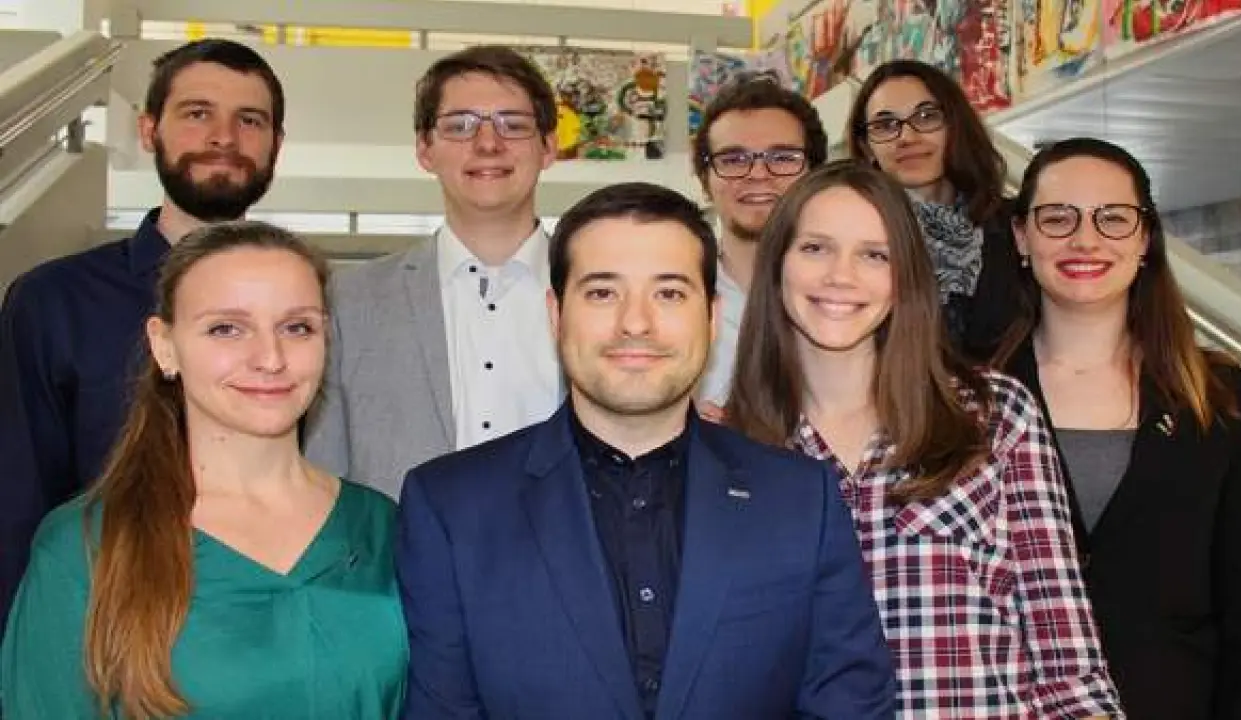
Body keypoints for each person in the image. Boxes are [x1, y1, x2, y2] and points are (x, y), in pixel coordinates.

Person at [395, 182, 896, 719]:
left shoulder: (800, 499)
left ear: (712, 317)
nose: (635, 323)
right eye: (602, 293)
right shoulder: (453, 508)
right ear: (556, 314)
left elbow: (850, 704)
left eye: (669, 294)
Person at [726, 161, 1122, 717]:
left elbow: (1068, 662)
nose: (841, 276)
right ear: (777, 265)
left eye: (875, 255)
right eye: (815, 248)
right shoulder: (729, 451)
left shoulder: (993, 415)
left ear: (905, 277)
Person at [1, 222, 406, 718]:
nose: (270, 358)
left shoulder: (384, 527)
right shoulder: (86, 547)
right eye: (226, 329)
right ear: (164, 346)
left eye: (297, 327)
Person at [0, 38, 284, 637]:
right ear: (149, 129)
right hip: (103, 629)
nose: (224, 137)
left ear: (276, 145)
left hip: (269, 624)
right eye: (198, 113)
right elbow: (17, 499)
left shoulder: (307, 307)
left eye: (250, 120)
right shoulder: (55, 301)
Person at [991, 137, 1241, 719]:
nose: (1085, 240)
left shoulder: (1218, 395)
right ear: (1021, 237)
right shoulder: (971, 395)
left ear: (1145, 238)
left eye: (1114, 218)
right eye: (1058, 218)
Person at [305, 45, 561, 498]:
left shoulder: (600, 293)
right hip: (399, 541)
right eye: (460, 125)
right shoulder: (349, 300)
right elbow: (323, 471)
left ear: (548, 147)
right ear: (425, 149)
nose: (488, 143)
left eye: (514, 124)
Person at [846, 59, 1018, 358]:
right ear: (866, 146)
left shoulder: (1013, 227)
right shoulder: (854, 237)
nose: (907, 137)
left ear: (955, 126)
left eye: (926, 117)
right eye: (885, 125)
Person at [691, 73, 827, 404]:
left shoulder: (852, 294)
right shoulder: (673, 296)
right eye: (733, 159)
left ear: (816, 174)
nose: (757, 174)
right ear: (705, 181)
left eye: (782, 158)